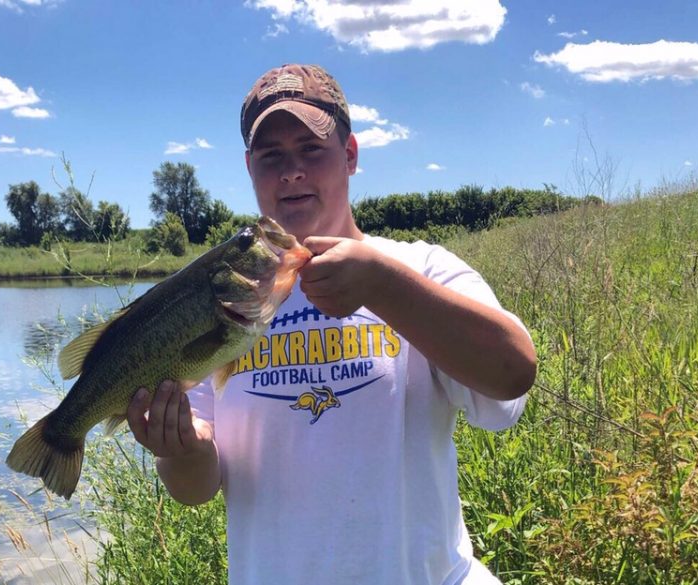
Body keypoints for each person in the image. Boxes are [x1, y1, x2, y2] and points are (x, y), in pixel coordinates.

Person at [126, 63, 537, 584]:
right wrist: (183, 450)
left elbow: (512, 375)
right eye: (271, 156)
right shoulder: (223, 293)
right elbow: (197, 487)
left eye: (311, 149)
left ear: (350, 156)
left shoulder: (420, 268)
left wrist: (384, 285)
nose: (291, 171)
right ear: (250, 168)